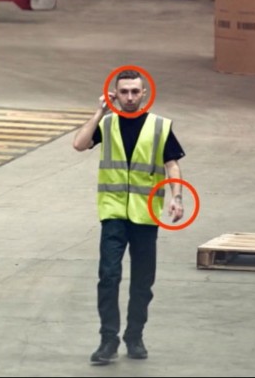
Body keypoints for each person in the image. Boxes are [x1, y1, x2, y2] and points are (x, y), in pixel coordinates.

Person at [72, 69, 186, 365]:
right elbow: (79, 144)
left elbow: (171, 165)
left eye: (135, 91)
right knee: (108, 277)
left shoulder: (160, 126)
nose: (130, 97)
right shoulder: (107, 122)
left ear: (144, 93)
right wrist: (98, 112)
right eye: (124, 92)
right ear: (115, 94)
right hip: (112, 214)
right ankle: (108, 339)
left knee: (142, 282)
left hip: (145, 216)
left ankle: (134, 336)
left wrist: (177, 196)